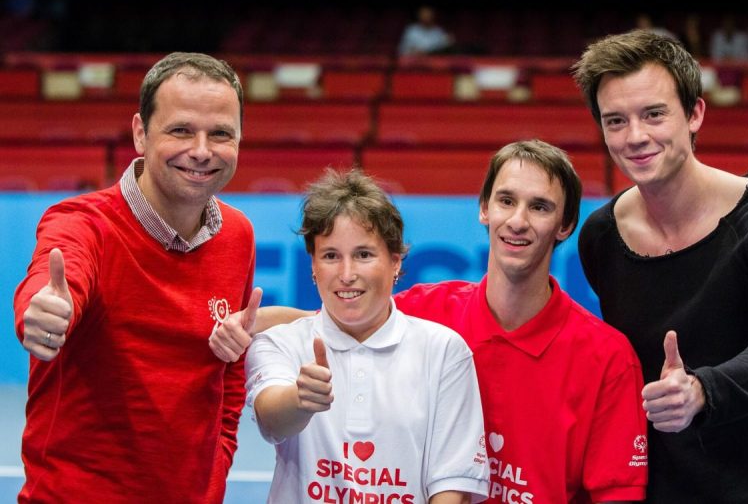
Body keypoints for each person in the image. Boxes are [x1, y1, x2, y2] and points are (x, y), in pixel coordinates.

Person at [212, 141, 649, 503]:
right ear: (484, 209)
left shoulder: (607, 358)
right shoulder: (433, 311)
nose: (517, 220)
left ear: (565, 224)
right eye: (506, 201)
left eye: (539, 207)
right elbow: (335, 321)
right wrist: (244, 327)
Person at [13, 52, 259, 503]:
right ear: (140, 133)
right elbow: (50, 285)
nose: (202, 150)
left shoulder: (238, 234)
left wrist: (216, 469)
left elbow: (228, 373)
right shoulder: (81, 223)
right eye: (181, 130)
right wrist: (42, 314)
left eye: (221, 133)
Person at [573, 29, 748, 502]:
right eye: (616, 121)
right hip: (652, 491)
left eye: (653, 114)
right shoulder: (600, 236)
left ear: (695, 114)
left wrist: (702, 390)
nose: (635, 137)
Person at [245, 168, 489, 503]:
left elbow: (451, 486)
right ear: (313, 267)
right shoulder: (279, 343)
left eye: (364, 255)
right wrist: (299, 401)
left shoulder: (446, 351)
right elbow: (272, 420)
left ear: (395, 262)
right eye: (331, 256)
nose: (347, 275)